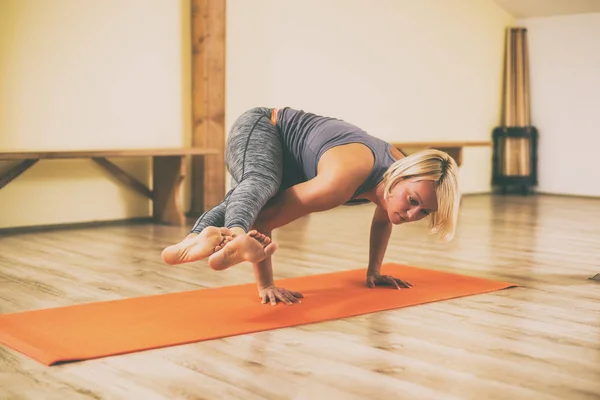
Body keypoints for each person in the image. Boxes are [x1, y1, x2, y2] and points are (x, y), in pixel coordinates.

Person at [162, 106, 460, 306]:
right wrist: (266, 285)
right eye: (412, 202)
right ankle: (232, 233)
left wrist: (374, 271)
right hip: (263, 127)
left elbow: (384, 218)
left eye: (423, 212)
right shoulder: (341, 180)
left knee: (249, 193)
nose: (410, 215)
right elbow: (265, 218)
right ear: (401, 177)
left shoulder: (397, 177)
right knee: (260, 183)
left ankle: (197, 237)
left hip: (290, 161)